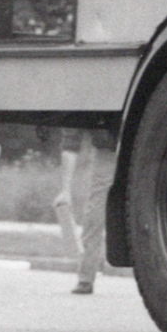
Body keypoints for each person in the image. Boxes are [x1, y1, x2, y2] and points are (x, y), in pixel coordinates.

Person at [55, 126, 115, 294]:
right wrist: (65, 190)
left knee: (95, 212)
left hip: (138, 147)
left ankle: (85, 279)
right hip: (108, 152)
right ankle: (86, 278)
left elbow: (70, 144)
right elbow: (70, 143)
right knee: (95, 213)